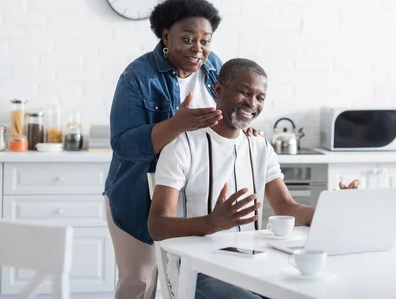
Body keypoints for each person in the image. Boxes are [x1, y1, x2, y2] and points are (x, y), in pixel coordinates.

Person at [148, 58, 359, 298]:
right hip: (195, 270)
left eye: (260, 98)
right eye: (244, 92)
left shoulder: (259, 146)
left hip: (252, 265)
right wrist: (212, 222)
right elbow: (157, 226)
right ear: (218, 90)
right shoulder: (182, 145)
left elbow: (287, 206)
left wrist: (334, 210)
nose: (252, 104)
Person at [104, 0, 257, 299]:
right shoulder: (138, 77)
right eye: (188, 39)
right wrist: (178, 123)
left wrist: (243, 121)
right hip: (138, 195)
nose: (198, 49)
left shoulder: (214, 67)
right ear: (165, 36)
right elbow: (123, 144)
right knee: (140, 282)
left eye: (205, 41)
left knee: (188, 281)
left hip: (193, 197)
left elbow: (227, 114)